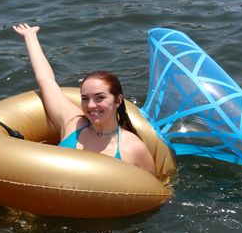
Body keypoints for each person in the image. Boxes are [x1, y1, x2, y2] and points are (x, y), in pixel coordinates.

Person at [13, 23, 156, 175]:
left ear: (118, 100)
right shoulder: (73, 124)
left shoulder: (133, 148)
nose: (91, 105)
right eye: (85, 98)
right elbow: (46, 81)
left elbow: (155, 191)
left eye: (99, 97)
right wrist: (30, 37)